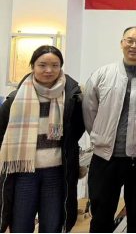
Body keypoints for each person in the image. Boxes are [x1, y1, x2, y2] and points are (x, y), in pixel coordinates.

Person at [83, 26, 136, 233]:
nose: (134, 45)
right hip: (105, 157)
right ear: (121, 43)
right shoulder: (103, 74)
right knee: (101, 215)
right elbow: (89, 110)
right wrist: (101, 137)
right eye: (129, 40)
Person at [0, 46, 85, 233]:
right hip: (24, 171)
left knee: (52, 226)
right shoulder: (15, 99)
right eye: (42, 65)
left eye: (55, 65)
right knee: (20, 225)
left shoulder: (72, 97)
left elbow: (76, 131)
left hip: (56, 173)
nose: (49, 70)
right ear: (33, 66)